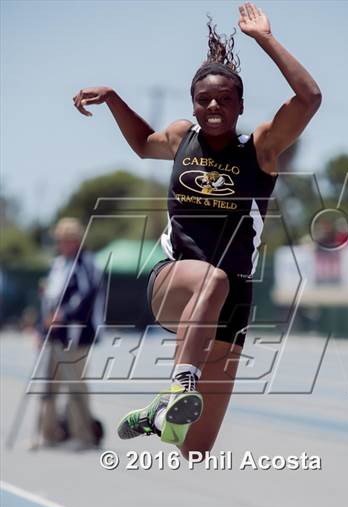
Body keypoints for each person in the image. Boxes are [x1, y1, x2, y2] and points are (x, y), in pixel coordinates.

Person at [73, 3, 321, 459]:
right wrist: (113, 98)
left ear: (240, 105)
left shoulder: (261, 148)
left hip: (233, 301)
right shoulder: (180, 137)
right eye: (204, 99)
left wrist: (265, 39)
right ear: (192, 103)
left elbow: (310, 99)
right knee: (212, 277)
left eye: (225, 99)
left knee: (196, 447)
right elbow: (144, 145)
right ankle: (178, 384)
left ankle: (159, 416)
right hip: (175, 281)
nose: (213, 107)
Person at [37, 217, 104, 450]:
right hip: (55, 335)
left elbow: (85, 297)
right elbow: (48, 298)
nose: (64, 244)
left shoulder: (87, 263)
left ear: (77, 240)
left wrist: (63, 315)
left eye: (69, 240)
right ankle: (48, 433)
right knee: (50, 384)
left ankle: (82, 435)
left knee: (76, 384)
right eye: (61, 240)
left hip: (77, 336)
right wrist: (42, 327)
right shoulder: (57, 264)